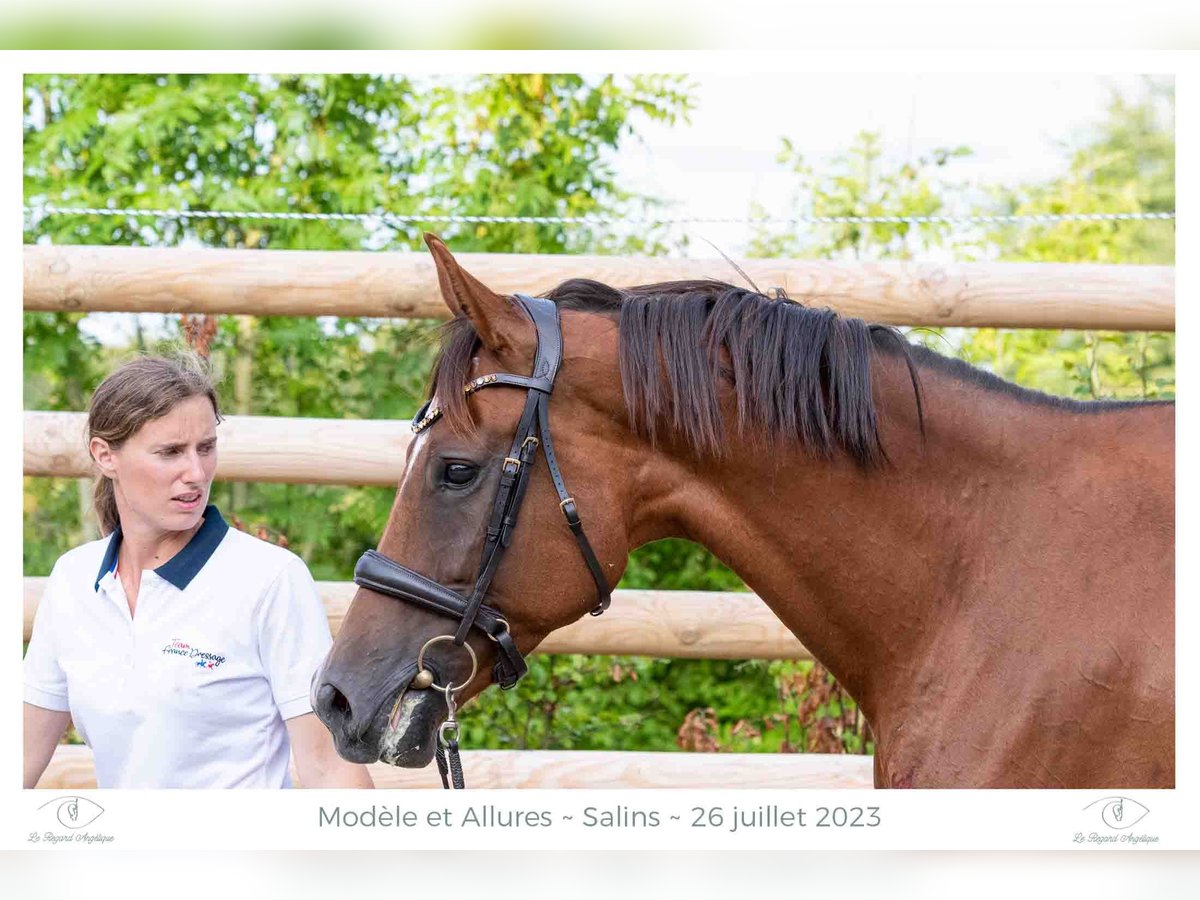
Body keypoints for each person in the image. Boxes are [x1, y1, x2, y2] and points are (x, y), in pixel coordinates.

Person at [24, 354, 373, 789]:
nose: (196, 473)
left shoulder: (270, 578)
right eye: (170, 452)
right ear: (105, 455)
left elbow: (330, 769)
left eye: (205, 448)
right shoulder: (73, 579)